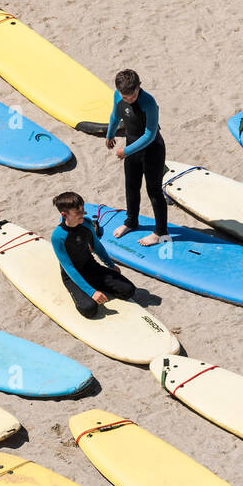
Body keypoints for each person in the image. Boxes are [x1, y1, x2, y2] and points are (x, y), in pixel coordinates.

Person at [104, 69, 167, 247]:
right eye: (125, 97)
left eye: (132, 96)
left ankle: (160, 232)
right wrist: (109, 135)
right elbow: (115, 116)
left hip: (152, 150)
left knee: (154, 191)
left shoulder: (149, 102)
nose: (129, 100)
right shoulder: (118, 96)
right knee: (131, 187)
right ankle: (131, 222)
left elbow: (150, 133)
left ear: (139, 86)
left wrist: (126, 151)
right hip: (132, 150)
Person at [50, 191, 137, 317]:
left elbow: (97, 246)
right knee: (89, 309)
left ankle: (96, 285)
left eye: (82, 210)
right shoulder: (58, 236)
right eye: (77, 212)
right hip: (72, 276)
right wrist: (91, 292)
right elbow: (68, 267)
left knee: (129, 290)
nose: (82, 214)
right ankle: (83, 289)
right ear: (64, 214)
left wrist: (111, 265)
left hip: (91, 267)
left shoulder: (87, 223)